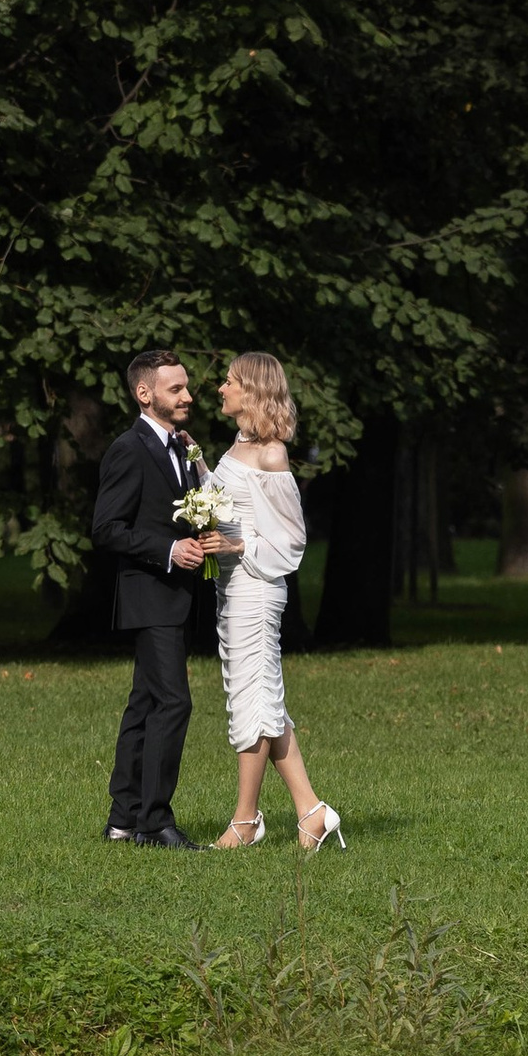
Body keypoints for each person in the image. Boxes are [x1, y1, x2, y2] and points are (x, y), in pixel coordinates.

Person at [202, 352, 345, 853]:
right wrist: (195, 461)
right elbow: (223, 504)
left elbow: (292, 539)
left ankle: (245, 821)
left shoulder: (272, 455)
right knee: (262, 698)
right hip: (231, 588)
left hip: (257, 590)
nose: (220, 388)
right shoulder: (240, 443)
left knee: (252, 699)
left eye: (230, 381)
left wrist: (241, 546)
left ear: (253, 390)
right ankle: (312, 811)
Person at [89, 345, 213, 847]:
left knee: (144, 704)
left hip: (176, 597)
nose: (186, 396)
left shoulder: (182, 447)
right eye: (175, 388)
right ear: (145, 393)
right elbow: (106, 528)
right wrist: (167, 549)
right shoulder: (128, 448)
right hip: (149, 595)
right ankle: (155, 822)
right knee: (173, 702)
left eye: (186, 387)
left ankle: (123, 818)